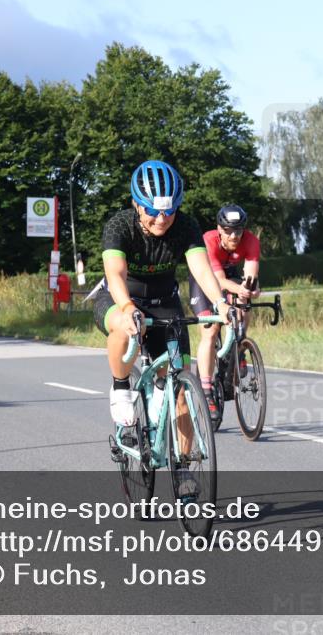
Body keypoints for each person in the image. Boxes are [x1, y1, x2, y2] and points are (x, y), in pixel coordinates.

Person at [92, 160, 232, 494]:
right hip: (120, 298)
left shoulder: (185, 226)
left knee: (180, 389)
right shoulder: (119, 226)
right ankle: (121, 387)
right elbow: (115, 274)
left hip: (165, 302)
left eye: (168, 212)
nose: (161, 220)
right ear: (136, 204)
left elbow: (200, 269)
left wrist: (221, 304)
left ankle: (183, 472)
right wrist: (126, 308)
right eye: (152, 212)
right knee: (125, 329)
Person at [187, 205, 261, 420]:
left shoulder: (251, 241)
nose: (234, 235)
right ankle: (207, 389)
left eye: (238, 230)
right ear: (219, 229)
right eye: (228, 230)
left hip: (230, 274)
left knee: (243, 305)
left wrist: (250, 289)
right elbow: (217, 281)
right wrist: (239, 289)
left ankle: (239, 347)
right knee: (210, 331)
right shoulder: (208, 240)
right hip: (205, 278)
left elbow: (250, 275)